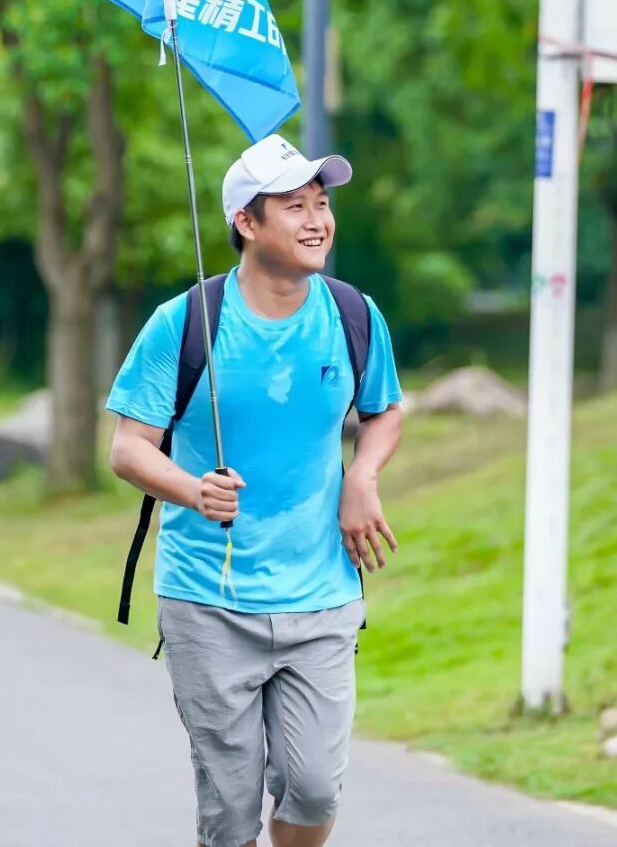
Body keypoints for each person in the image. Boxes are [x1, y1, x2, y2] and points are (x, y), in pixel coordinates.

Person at [107, 133, 404, 847]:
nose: (318, 220)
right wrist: (192, 490)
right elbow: (127, 448)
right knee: (230, 810)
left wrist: (363, 476)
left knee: (314, 787)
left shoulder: (353, 315)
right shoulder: (184, 323)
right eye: (295, 206)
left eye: (322, 204)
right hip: (208, 599)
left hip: (322, 594)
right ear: (246, 221)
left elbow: (385, 410)